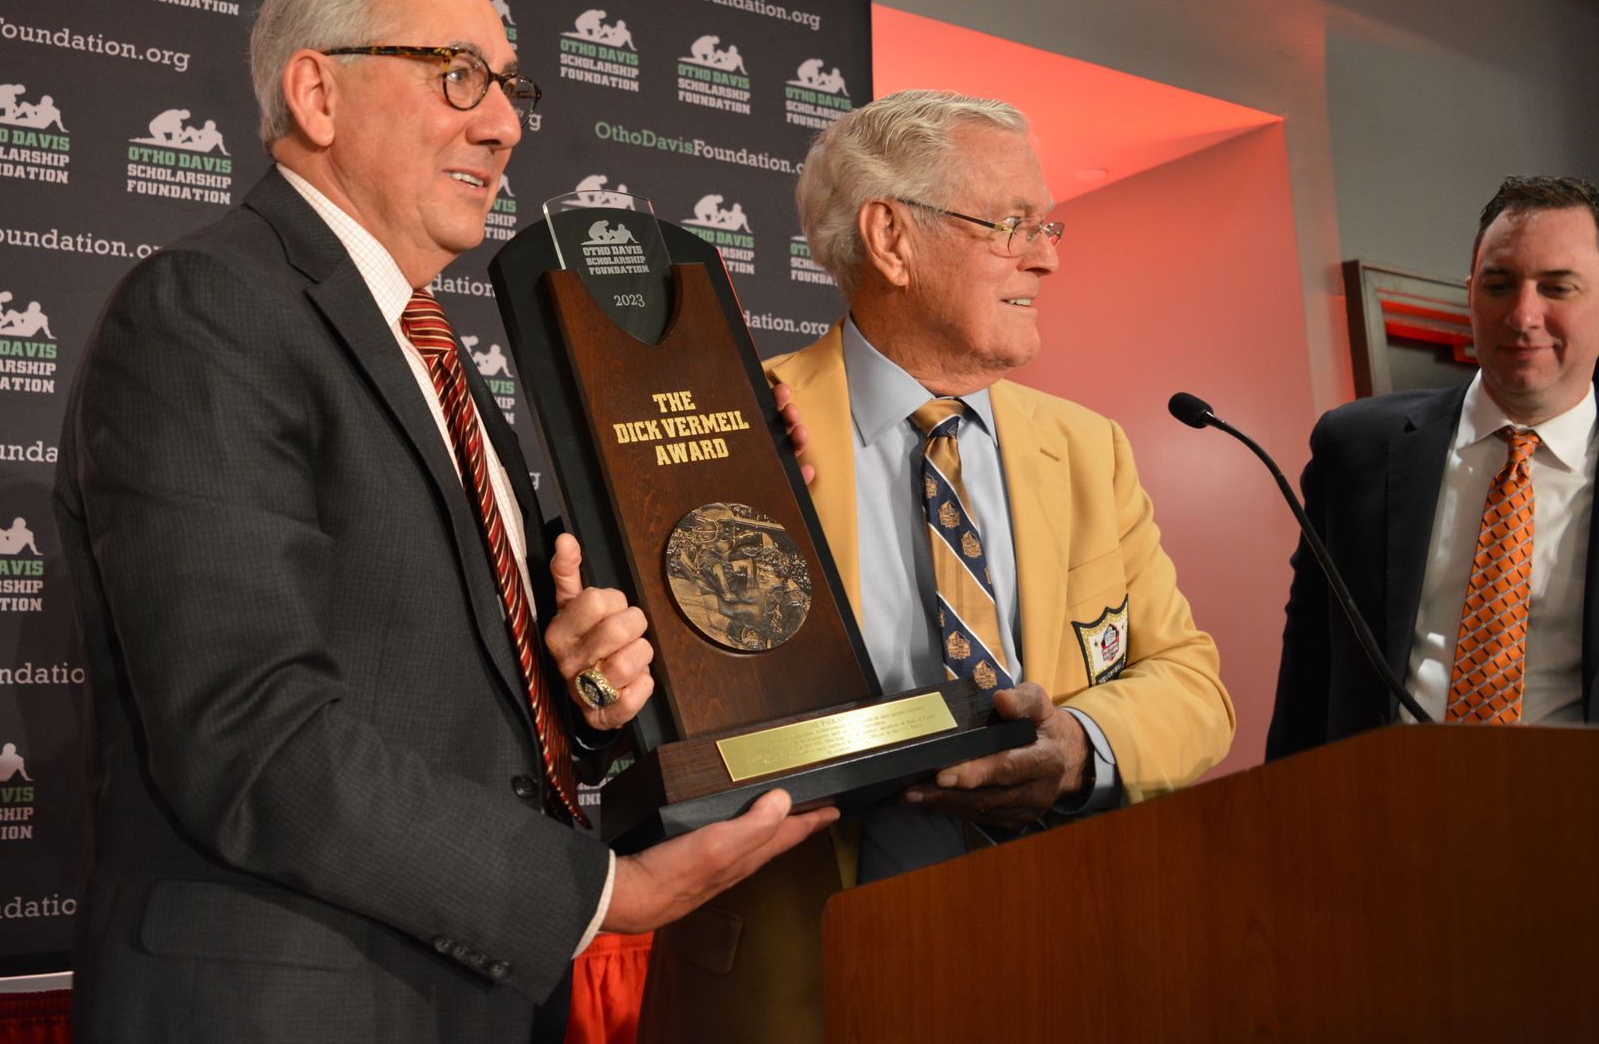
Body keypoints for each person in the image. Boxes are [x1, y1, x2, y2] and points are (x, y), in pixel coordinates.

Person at [53, 0, 834, 1044]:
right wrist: (604, 894)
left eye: (511, 85)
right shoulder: (207, 307)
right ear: (317, 94)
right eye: (458, 75)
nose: (507, 123)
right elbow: (249, 732)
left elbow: (452, 697)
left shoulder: (432, 351)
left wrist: (588, 694)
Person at [638, 90, 1235, 1043]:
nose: (1046, 255)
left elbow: (1192, 684)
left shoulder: (1090, 449)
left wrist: (1078, 744)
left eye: (1048, 226)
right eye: (1011, 224)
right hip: (794, 985)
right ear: (890, 238)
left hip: (1061, 957)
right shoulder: (723, 424)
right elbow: (647, 707)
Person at [1269, 176, 1599, 756]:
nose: (1523, 316)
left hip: (1573, 825)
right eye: (1500, 284)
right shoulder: (1356, 448)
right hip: (1387, 818)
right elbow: (1307, 677)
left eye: (1557, 288)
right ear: (1470, 293)